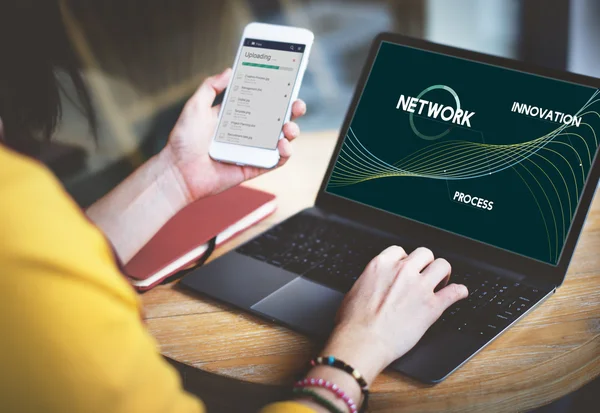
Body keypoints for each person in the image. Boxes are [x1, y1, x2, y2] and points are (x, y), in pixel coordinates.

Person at [0, 3, 468, 412]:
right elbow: (34, 266)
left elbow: (54, 254)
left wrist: (176, 176)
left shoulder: (21, 208)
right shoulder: (18, 218)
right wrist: (361, 346)